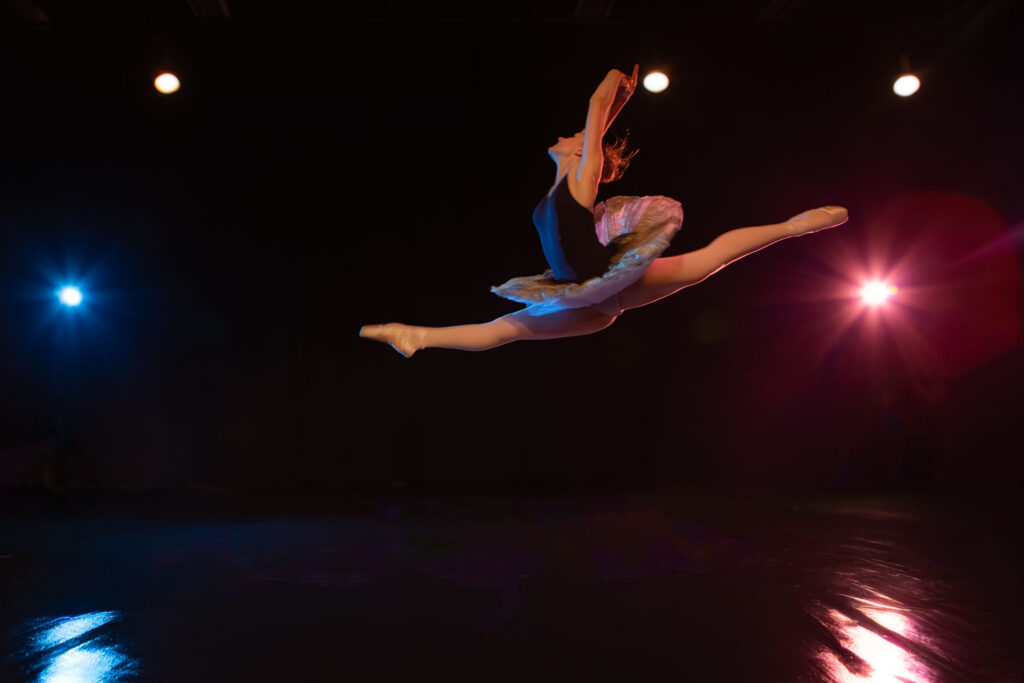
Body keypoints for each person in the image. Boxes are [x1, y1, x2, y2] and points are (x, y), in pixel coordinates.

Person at [360, 66, 847, 358]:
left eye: (574, 136)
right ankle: (416, 335)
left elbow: (595, 106)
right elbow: (596, 115)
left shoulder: (582, 173)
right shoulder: (557, 184)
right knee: (503, 331)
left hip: (607, 282)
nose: (566, 135)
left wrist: (618, 85)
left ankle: (795, 225)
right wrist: (615, 102)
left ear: (581, 152)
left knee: (707, 260)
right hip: (581, 298)